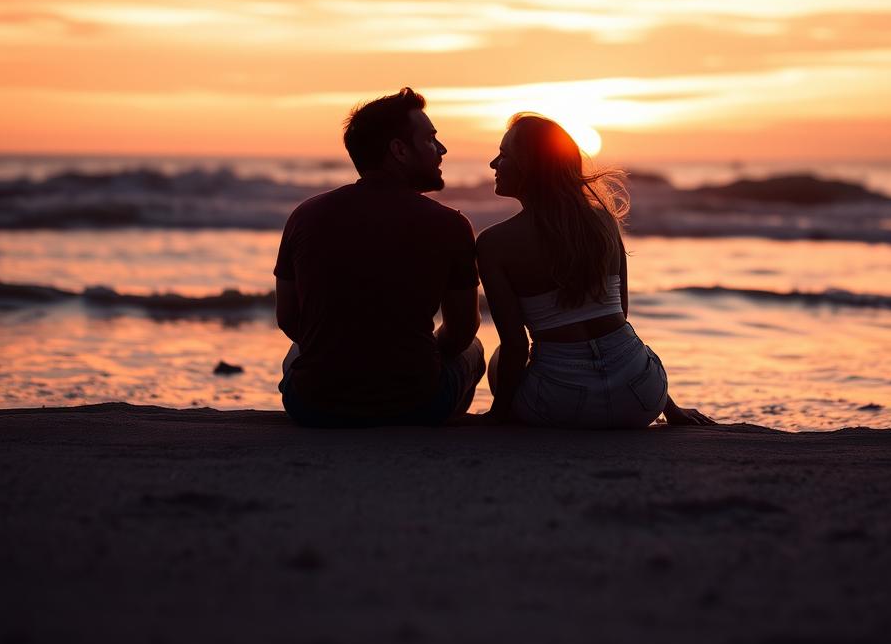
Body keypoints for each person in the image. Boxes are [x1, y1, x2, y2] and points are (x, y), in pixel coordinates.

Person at [477, 113, 713, 428]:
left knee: (496, 360)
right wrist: (667, 406)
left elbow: (516, 346)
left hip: (561, 405)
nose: (494, 164)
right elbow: (619, 319)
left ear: (529, 165)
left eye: (504, 155)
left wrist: (498, 416)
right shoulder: (603, 222)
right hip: (640, 397)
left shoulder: (494, 243)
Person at [274, 87, 485, 426]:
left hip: (314, 407)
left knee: (299, 354)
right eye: (431, 140)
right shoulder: (451, 225)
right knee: (474, 348)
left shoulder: (305, 215)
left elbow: (288, 318)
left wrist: (349, 355)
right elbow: (461, 331)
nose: (442, 150)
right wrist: (405, 356)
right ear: (399, 150)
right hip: (416, 406)